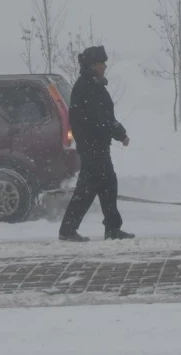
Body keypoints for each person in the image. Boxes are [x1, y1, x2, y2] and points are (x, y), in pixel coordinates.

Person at [58, 45, 134, 242]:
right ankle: (68, 230)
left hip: (97, 146)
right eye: (102, 63)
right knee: (87, 190)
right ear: (93, 65)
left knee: (107, 185)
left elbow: (104, 117)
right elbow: (101, 119)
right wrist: (120, 133)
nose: (105, 66)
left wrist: (116, 132)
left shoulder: (94, 85)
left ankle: (112, 228)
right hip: (92, 148)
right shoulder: (87, 87)